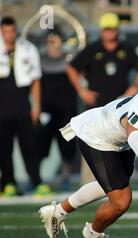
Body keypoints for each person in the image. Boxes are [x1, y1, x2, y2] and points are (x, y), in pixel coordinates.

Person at [38, 66, 138, 238]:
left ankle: (58, 212)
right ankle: (94, 232)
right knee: (121, 200)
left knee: (112, 184)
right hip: (99, 137)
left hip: (118, 139)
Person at [66, 12, 138, 184]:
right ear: (102, 31)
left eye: (112, 29)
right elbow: (71, 68)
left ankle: (120, 181)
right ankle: (89, 184)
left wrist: (134, 87)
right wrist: (82, 90)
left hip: (119, 111)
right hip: (97, 109)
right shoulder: (92, 49)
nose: (109, 33)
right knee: (91, 142)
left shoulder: (126, 48)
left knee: (122, 145)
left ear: (117, 30)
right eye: (106, 29)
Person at [0, 16, 52, 197]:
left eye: (12, 31)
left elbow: (35, 81)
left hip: (22, 105)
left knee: (30, 146)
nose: (9, 35)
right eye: (5, 32)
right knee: (4, 148)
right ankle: (8, 183)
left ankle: (37, 181)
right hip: (3, 106)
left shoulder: (28, 49)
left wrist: (36, 105)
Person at [38, 27, 77, 190]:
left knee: (67, 146)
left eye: (56, 39)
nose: (53, 43)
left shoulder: (71, 60)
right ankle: (37, 178)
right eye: (50, 39)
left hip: (66, 110)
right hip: (46, 111)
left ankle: (65, 176)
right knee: (39, 146)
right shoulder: (39, 60)